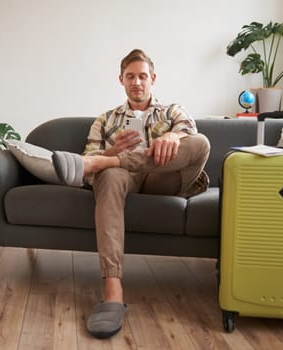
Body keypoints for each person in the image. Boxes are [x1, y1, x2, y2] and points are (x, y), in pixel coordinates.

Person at [51, 49, 210, 339]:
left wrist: (175, 136)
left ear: (153, 79)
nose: (137, 82)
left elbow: (192, 144)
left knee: (200, 142)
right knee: (109, 173)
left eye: (142, 76)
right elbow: (86, 168)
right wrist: (113, 153)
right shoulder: (106, 120)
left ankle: (110, 161)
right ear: (121, 80)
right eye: (130, 76)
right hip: (125, 179)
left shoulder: (173, 112)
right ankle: (112, 290)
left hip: (165, 178)